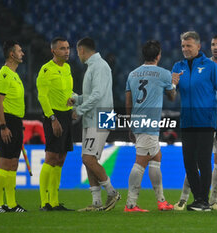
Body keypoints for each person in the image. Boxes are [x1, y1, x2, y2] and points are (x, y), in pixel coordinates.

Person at [174, 34, 217, 211]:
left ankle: (204, 201)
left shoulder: (210, 66)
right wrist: (172, 86)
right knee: (188, 162)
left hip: (206, 121)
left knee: (203, 160)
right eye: (182, 46)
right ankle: (199, 199)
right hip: (187, 121)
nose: (185, 49)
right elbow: (172, 96)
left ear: (197, 46)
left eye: (188, 46)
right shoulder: (178, 67)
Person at [123, 40, 181, 212]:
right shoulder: (163, 73)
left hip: (138, 121)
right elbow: (172, 97)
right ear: (158, 55)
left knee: (156, 158)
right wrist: (174, 83)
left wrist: (130, 125)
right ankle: (130, 204)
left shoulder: (132, 74)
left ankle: (161, 201)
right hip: (149, 122)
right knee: (140, 162)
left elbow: (128, 102)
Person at [68, 37, 120, 212]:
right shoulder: (94, 67)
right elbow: (93, 94)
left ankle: (112, 192)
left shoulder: (99, 66)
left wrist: (80, 109)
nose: (77, 55)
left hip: (101, 116)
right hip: (95, 116)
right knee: (89, 159)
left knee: (88, 158)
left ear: (81, 50)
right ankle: (96, 202)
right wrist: (77, 99)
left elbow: (97, 95)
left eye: (77, 51)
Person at [36, 37, 74, 211]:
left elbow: (67, 91)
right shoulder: (46, 70)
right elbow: (42, 97)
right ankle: (45, 202)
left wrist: (73, 103)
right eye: (62, 48)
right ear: (53, 51)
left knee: (61, 158)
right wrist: (52, 119)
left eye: (67, 48)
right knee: (51, 157)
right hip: (54, 116)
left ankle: (55, 201)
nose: (66, 51)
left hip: (66, 115)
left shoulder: (67, 68)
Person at [0, 40, 27, 212]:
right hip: (7, 121)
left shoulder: (15, 74)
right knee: (4, 162)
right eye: (20, 51)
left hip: (16, 122)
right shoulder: (4, 74)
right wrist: (3, 126)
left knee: (13, 163)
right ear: (12, 54)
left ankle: (12, 204)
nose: (23, 53)